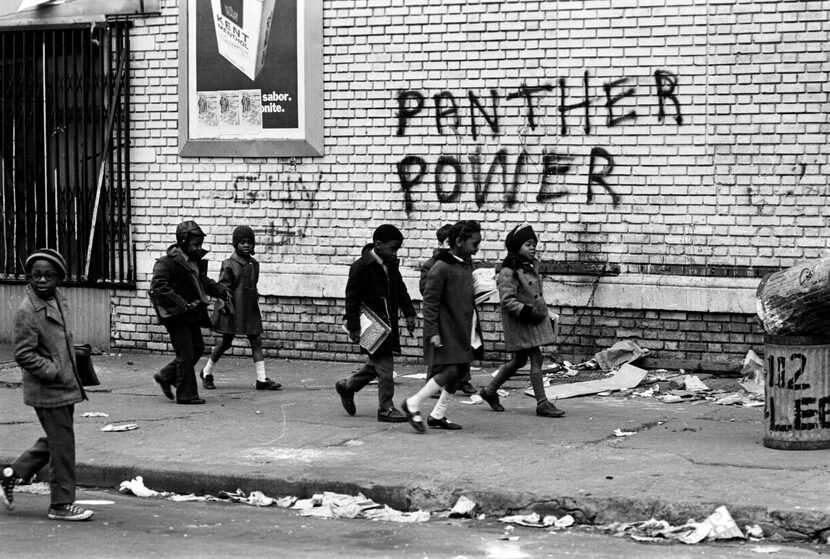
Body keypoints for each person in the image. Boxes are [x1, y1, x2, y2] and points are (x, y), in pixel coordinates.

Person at [1, 249, 94, 521]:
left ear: (59, 279)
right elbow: (23, 354)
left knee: (57, 439)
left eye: (48, 275)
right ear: (29, 278)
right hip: (48, 387)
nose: (42, 280)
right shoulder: (27, 312)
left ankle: (14, 472)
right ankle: (61, 505)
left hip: (65, 384)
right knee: (63, 447)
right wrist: (53, 371)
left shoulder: (58, 300)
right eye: (36, 275)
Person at [402, 220, 483, 433]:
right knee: (451, 371)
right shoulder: (440, 267)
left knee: (459, 372)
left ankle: (437, 414)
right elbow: (430, 302)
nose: (477, 248)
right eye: (474, 244)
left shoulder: (464, 265)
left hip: (462, 328)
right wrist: (433, 332)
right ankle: (413, 403)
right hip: (445, 330)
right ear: (458, 242)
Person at [479, 224, 565, 418]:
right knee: (536, 358)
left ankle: (489, 391)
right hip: (522, 321)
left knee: (519, 361)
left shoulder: (528, 266)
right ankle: (542, 403)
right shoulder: (509, 271)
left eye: (534, 243)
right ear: (516, 246)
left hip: (533, 319)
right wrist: (527, 312)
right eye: (528, 244)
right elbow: (507, 301)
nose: (533, 247)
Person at [335, 224, 417, 423]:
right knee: (385, 367)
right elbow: (352, 299)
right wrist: (354, 327)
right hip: (372, 325)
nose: (395, 253)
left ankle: (348, 387)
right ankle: (386, 409)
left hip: (389, 325)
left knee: (377, 365)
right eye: (393, 248)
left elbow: (401, 289)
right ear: (378, 245)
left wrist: (409, 313)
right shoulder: (361, 267)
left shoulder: (391, 264)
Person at [149, 221, 229, 405]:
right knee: (185, 352)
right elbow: (158, 287)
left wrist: (218, 289)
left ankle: (166, 375)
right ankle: (186, 394)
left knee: (197, 348)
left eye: (200, 244)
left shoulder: (194, 261)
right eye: (196, 244)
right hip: (175, 314)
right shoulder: (167, 262)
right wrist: (181, 303)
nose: (199, 248)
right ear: (183, 242)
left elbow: (203, 282)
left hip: (191, 312)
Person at [200, 225, 281, 391]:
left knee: (256, 341)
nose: (246, 245)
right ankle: (207, 372)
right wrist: (224, 305)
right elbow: (223, 287)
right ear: (235, 244)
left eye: (249, 242)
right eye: (242, 242)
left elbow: (253, 284)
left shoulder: (254, 264)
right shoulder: (229, 264)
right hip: (232, 308)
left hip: (249, 308)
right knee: (226, 342)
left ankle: (261, 379)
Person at [419, 223, 477, 396]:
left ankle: (463, 380)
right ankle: (432, 383)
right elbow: (427, 291)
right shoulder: (435, 265)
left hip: (461, 313)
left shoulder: (464, 263)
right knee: (440, 355)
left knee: (462, 350)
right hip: (444, 316)